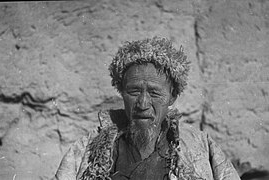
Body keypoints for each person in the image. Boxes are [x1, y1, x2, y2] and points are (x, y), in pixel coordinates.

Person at [54, 37, 241, 180]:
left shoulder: (200, 146)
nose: (143, 104)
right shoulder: (87, 149)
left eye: (154, 92)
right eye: (134, 91)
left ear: (172, 96)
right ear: (122, 92)